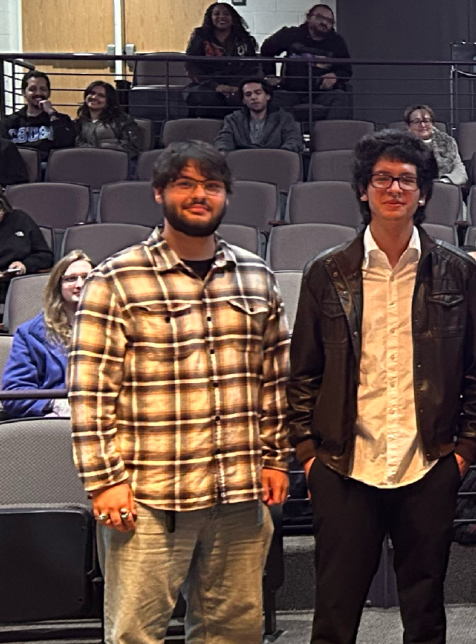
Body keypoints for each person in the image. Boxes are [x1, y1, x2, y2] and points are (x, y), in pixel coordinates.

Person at [285, 130, 476, 644]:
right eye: (383, 178)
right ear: (363, 189)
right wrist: (309, 455)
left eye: (407, 180)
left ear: (424, 192)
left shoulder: (457, 272)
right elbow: (303, 375)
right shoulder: (326, 273)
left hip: (429, 462)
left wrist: (465, 452)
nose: (395, 189)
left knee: (425, 613)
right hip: (343, 463)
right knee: (334, 612)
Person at [69, 141, 291, 644]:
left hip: (238, 490)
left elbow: (276, 379)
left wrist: (277, 458)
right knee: (135, 634)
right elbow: (89, 392)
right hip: (149, 495)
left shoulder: (257, 276)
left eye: (211, 186)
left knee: (233, 632)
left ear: (226, 197)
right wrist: (104, 480)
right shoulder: (116, 279)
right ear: (159, 193)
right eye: (185, 184)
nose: (199, 195)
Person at [0, 251, 92, 418]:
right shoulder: (30, 334)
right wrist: (52, 405)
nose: (80, 284)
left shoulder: (118, 327)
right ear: (58, 285)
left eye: (87, 278)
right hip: (57, 418)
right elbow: (14, 393)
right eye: (71, 278)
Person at [260, 4, 353, 121]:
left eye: (329, 20)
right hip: (291, 91)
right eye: (320, 17)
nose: (324, 22)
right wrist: (270, 74)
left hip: (321, 93)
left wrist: (335, 76)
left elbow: (346, 69)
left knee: (341, 97)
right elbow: (267, 49)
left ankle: (329, 136)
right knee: (276, 98)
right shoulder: (291, 34)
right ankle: (290, 136)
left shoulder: (337, 42)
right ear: (308, 17)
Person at [183, 2, 262, 118]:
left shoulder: (244, 39)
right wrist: (216, 86)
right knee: (208, 99)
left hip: (238, 84)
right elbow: (192, 66)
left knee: (243, 98)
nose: (221, 17)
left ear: (233, 17)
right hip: (207, 85)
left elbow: (251, 66)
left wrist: (238, 86)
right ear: (210, 17)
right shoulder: (200, 37)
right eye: (216, 14)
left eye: (226, 14)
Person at [0, 71, 77, 157]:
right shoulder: (8, 123)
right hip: (20, 166)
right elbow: (2, 152)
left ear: (49, 93)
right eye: (32, 89)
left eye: (43, 89)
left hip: (50, 167)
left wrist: (51, 114)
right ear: (24, 92)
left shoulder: (62, 120)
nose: (38, 93)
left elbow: (67, 145)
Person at [215, 78, 305, 154]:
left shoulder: (284, 118)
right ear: (243, 100)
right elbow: (224, 140)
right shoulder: (232, 119)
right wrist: (222, 153)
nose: (253, 97)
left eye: (258, 93)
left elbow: (294, 140)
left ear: (267, 96)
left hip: (274, 164)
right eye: (248, 94)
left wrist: (281, 156)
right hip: (243, 164)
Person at [75, 80, 145, 159]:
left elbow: (132, 148)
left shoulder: (122, 120)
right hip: (86, 163)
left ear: (109, 101)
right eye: (92, 93)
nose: (94, 97)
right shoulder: (80, 121)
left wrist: (101, 149)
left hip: (114, 165)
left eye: (101, 95)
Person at [405, 105, 468, 186]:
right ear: (408, 126)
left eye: (426, 121)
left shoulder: (448, 142)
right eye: (417, 122)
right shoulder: (401, 146)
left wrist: (444, 181)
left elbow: (460, 171)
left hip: (444, 189)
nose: (423, 125)